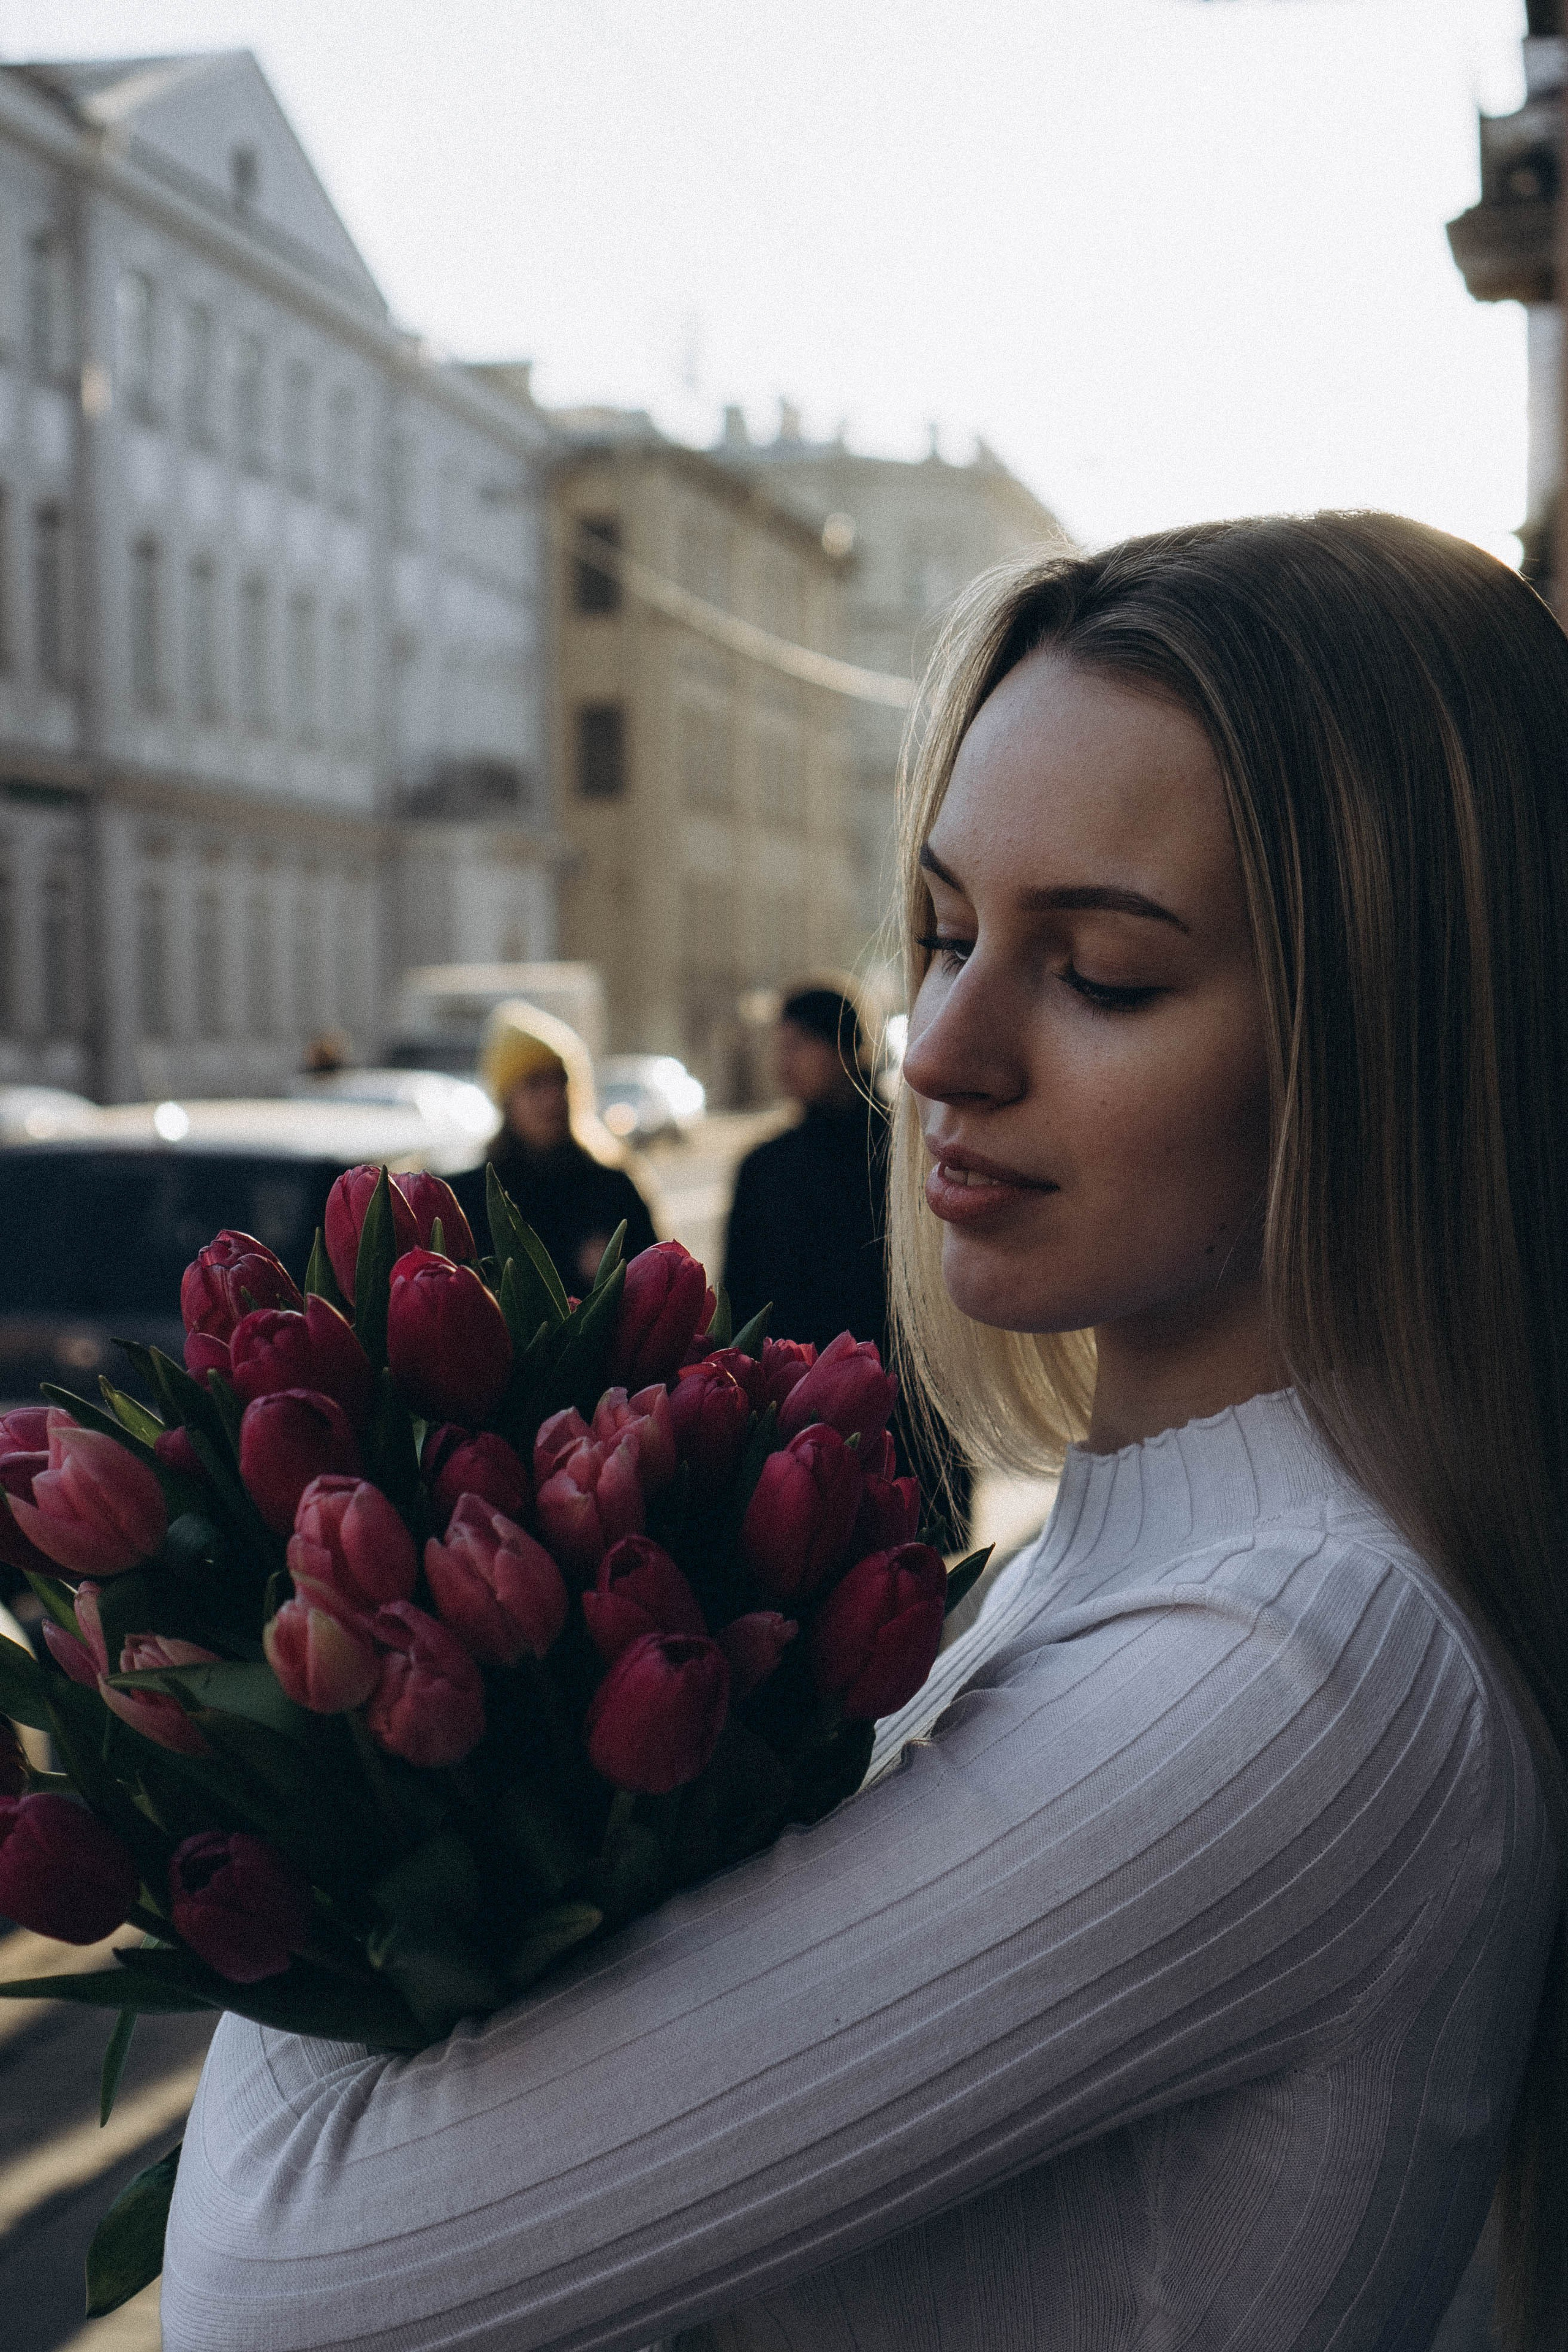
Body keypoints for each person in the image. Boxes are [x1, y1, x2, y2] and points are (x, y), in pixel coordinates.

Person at [164, 516, 1567, 2352]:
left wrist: (353, 1635)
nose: (943, 1045)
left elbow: (282, 2290)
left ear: (1397, 1026)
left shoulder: (1287, 1665)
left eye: (1104, 972)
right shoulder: (1154, 1561)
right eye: (942, 930)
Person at [726, 981, 971, 1542]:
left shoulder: (911, 1151)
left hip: (905, 1407)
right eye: (778, 1045)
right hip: (798, 1409)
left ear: (847, 1046)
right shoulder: (764, 1166)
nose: (782, 1061)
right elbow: (742, 1298)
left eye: (798, 1044)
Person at [448, 1000, 657, 1292]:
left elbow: (660, 1286)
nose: (552, 1097)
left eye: (560, 1080)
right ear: (506, 1098)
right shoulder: (469, 1198)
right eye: (535, 1083)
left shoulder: (614, 1189)